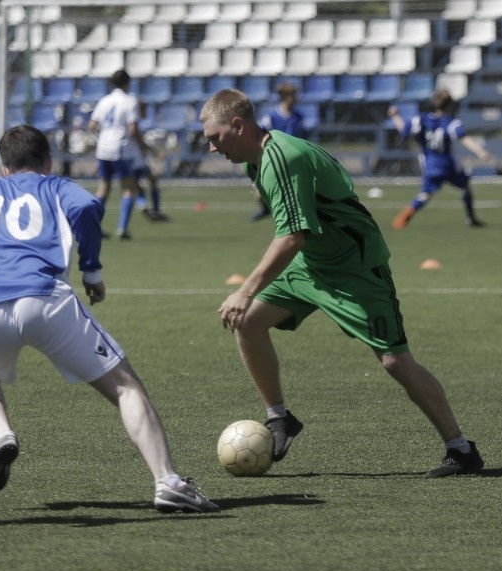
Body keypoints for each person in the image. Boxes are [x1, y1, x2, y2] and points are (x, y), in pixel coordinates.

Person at [0, 124, 218, 513]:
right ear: (47, 161)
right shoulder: (57, 186)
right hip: (44, 301)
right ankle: (168, 482)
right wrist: (91, 270)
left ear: (4, 167)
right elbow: (87, 207)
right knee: (126, 388)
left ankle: (3, 433)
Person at [199, 88, 484, 478]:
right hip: (312, 265)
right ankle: (280, 418)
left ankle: (461, 449)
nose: (211, 148)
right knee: (247, 321)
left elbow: (291, 236)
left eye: (215, 137)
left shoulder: (283, 158)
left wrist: (245, 290)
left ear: (237, 125)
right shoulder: (256, 161)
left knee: (396, 362)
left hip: (356, 269)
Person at [387, 89, 492, 229]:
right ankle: (471, 218)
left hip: (431, 166)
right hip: (449, 165)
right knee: (465, 188)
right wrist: (480, 152)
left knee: (425, 195)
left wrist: (395, 116)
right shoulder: (451, 122)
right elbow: (464, 139)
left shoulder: (420, 120)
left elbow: (404, 131)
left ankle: (408, 212)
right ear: (450, 105)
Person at [88, 69, 145, 240]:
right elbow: (133, 129)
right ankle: (122, 229)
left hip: (103, 148)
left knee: (103, 188)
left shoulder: (104, 100)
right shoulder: (130, 101)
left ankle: (93, 227)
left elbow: (92, 125)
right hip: (120, 148)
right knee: (128, 188)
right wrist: (142, 145)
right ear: (128, 83)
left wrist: (104, 136)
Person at [249, 82, 309, 222]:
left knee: (295, 190)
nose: (296, 99)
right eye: (293, 95)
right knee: (261, 192)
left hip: (293, 158)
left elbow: (303, 138)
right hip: (274, 156)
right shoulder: (271, 117)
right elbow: (261, 135)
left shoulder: (299, 117)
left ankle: (295, 216)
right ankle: (266, 210)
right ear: (285, 97)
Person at [129, 100, 169, 222]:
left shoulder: (132, 122)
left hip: (131, 160)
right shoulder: (133, 123)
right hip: (135, 160)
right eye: (144, 110)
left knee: (140, 185)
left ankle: (143, 204)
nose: (146, 112)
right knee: (151, 180)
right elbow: (139, 141)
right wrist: (154, 152)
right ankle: (154, 210)